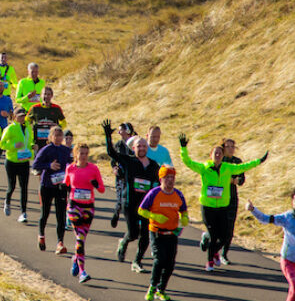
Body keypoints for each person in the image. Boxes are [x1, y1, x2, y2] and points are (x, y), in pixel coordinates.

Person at [179, 132, 267, 272]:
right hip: (207, 206)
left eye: (220, 153)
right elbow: (188, 162)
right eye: (215, 153)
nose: (218, 155)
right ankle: (209, 262)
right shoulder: (204, 168)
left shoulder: (228, 167)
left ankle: (215, 252)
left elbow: (244, 167)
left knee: (225, 235)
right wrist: (183, 148)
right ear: (211, 155)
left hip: (223, 207)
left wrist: (259, 161)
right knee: (214, 235)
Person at [103, 120, 160, 273]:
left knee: (146, 234)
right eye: (138, 146)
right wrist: (108, 136)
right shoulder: (129, 161)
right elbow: (111, 153)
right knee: (134, 233)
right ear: (133, 148)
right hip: (129, 203)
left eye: (143, 146)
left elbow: (159, 182)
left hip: (146, 205)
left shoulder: (154, 165)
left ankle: (137, 261)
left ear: (147, 148)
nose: (141, 148)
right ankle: (124, 242)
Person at [138, 166, 189, 301]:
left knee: (170, 263)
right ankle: (152, 288)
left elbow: (183, 210)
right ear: (160, 179)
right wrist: (154, 216)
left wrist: (184, 218)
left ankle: (161, 290)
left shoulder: (178, 194)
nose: (170, 180)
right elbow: (141, 210)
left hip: (172, 233)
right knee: (159, 260)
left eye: (172, 177)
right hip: (156, 232)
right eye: (167, 178)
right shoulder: (154, 193)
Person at [66, 143, 105, 283]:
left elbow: (102, 189)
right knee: (80, 238)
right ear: (76, 154)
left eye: (86, 154)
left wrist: (95, 185)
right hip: (74, 206)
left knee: (81, 239)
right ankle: (83, 272)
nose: (83, 156)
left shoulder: (93, 169)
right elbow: (66, 185)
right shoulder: (70, 168)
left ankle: (76, 258)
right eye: (81, 153)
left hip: (88, 207)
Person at [32, 126, 72, 254]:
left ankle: (60, 242)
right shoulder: (46, 150)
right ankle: (41, 236)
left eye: (60, 135)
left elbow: (72, 164)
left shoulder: (66, 150)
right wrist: (49, 165)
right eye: (56, 135)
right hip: (47, 185)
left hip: (61, 186)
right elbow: (35, 165)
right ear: (50, 137)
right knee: (45, 213)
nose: (58, 138)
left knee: (61, 215)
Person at [208, 138, 245, 265]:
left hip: (231, 198)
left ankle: (223, 254)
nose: (230, 149)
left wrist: (231, 180)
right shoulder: (219, 160)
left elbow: (241, 180)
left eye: (232, 146)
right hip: (217, 196)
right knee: (215, 226)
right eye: (228, 146)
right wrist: (230, 179)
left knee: (229, 228)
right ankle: (207, 238)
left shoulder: (237, 162)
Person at [0, 106, 33, 222]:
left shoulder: (28, 127)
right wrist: (13, 146)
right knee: (12, 186)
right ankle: (7, 201)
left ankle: (23, 213)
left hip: (24, 161)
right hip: (12, 161)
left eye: (23, 116)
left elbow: (30, 141)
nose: (22, 118)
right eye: (20, 116)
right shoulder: (10, 129)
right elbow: (1, 144)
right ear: (15, 117)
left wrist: (33, 147)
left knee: (24, 188)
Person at [110, 122, 136, 228]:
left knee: (132, 201)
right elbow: (113, 161)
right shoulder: (118, 145)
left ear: (128, 131)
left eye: (122, 129)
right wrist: (114, 168)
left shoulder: (135, 143)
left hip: (132, 176)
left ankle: (132, 223)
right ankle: (116, 213)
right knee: (120, 198)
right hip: (120, 176)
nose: (119, 132)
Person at [26, 86, 66, 153]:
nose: (46, 96)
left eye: (48, 94)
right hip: (38, 140)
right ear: (41, 95)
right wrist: (31, 130)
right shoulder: (35, 108)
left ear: (52, 96)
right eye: (44, 94)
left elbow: (64, 122)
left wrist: (58, 128)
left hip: (52, 140)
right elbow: (26, 121)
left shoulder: (56, 108)